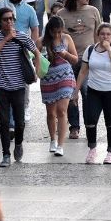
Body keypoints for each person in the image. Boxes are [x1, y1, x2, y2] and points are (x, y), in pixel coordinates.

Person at [0, 7, 40, 168]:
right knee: (4, 122)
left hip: (19, 85)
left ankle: (18, 143)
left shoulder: (22, 37)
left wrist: (36, 72)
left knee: (20, 122)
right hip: (1, 85)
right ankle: (5, 154)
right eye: (6, 19)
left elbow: (37, 52)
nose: (9, 21)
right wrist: (6, 39)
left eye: (11, 19)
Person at [73, 23, 111, 165]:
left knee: (110, 121)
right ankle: (92, 149)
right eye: (102, 34)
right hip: (94, 89)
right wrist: (76, 91)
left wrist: (109, 50)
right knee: (90, 120)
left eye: (108, 34)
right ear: (97, 35)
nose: (105, 37)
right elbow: (83, 71)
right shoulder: (90, 50)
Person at [58, 0, 102, 140]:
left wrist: (98, 54)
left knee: (87, 93)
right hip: (68, 61)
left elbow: (98, 34)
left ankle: (91, 124)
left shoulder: (93, 11)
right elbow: (57, 38)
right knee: (70, 94)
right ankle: (74, 127)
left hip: (88, 60)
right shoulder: (61, 14)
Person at [36, 16, 78, 157]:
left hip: (65, 76)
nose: (58, 35)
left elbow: (75, 59)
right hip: (48, 78)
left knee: (61, 110)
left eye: (60, 31)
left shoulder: (66, 39)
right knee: (50, 113)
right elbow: (33, 58)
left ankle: (60, 145)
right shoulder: (41, 42)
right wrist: (41, 60)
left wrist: (65, 54)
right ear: (49, 30)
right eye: (55, 32)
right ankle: (52, 140)